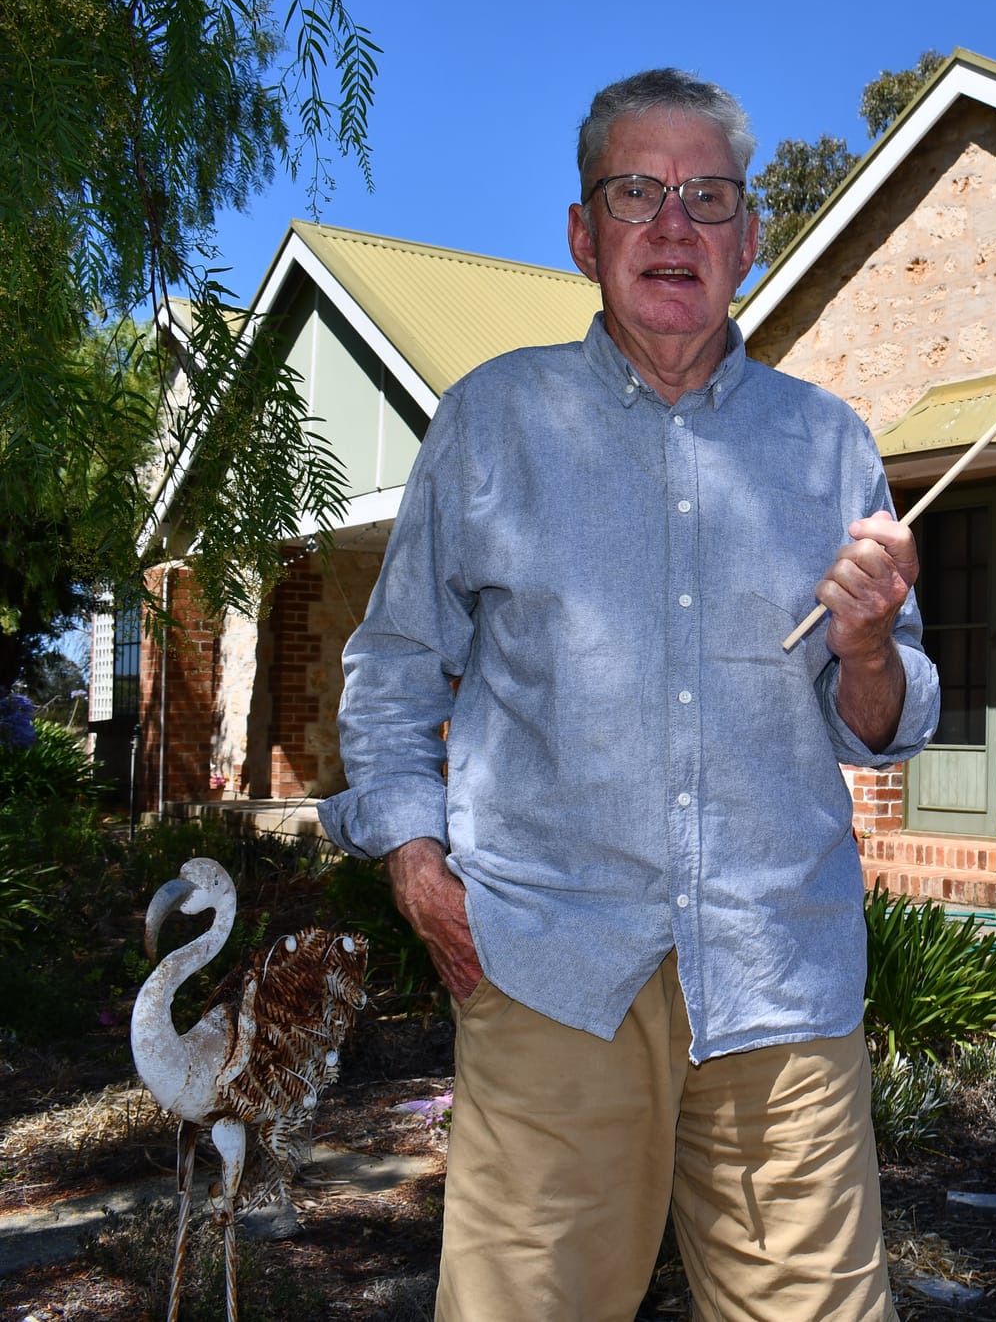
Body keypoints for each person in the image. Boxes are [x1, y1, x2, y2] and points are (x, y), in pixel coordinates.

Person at [318, 66, 939, 1322]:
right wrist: (414, 861)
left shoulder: (828, 445)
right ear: (582, 233)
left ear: (751, 238)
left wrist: (868, 648)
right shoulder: (492, 422)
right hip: (548, 969)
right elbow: (391, 671)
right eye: (636, 192)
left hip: (778, 985)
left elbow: (878, 722)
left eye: (708, 197)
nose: (673, 225)